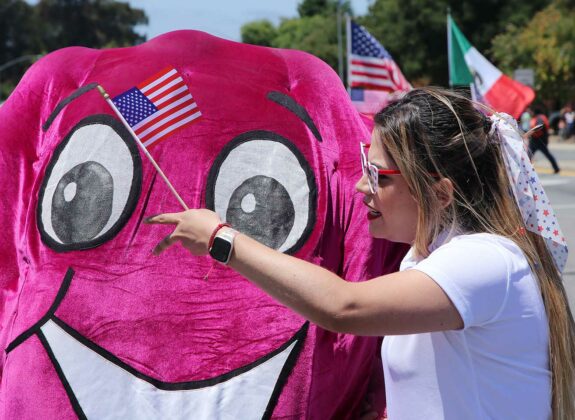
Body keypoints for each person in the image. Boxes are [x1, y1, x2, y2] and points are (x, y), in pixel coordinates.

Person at [146, 87, 575, 419]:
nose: (360, 187)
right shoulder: (429, 259)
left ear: (441, 192)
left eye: (378, 175)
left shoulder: (484, 259)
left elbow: (342, 306)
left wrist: (223, 239)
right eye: (363, 166)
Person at [529, 108, 561, 174]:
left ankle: (556, 168)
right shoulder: (538, 117)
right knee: (528, 156)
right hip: (536, 141)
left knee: (529, 155)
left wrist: (531, 132)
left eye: (531, 111)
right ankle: (556, 168)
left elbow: (540, 127)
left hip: (539, 141)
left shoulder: (539, 118)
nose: (530, 113)